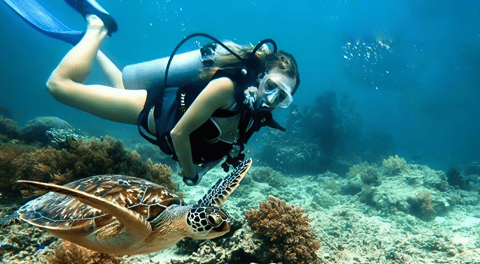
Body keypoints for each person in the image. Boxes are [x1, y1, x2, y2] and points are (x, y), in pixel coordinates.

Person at [4, 0, 300, 185]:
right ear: (260, 77)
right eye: (271, 87)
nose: (271, 100)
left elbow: (224, 144)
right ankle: (96, 27)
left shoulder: (254, 116)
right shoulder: (226, 89)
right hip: (148, 110)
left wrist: (209, 165)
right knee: (59, 87)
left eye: (282, 98)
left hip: (156, 110)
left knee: (120, 82)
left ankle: (83, 44)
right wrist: (189, 174)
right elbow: (179, 134)